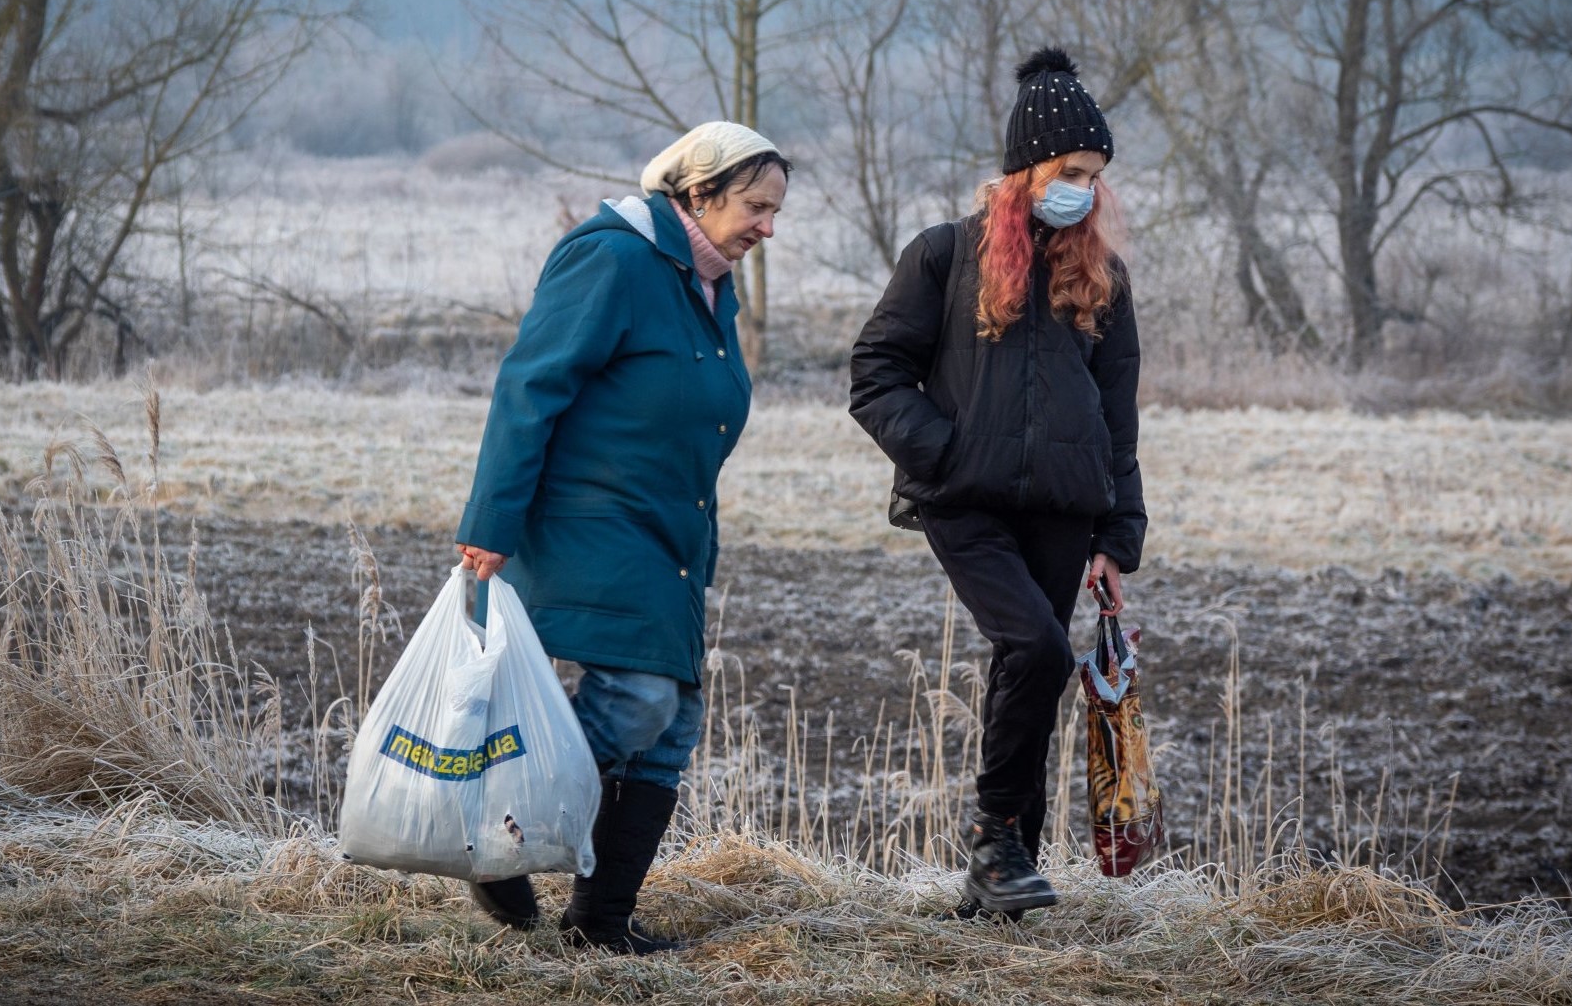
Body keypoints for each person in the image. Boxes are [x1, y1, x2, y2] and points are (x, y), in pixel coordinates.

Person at [453, 121, 789, 952]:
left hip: (670, 534)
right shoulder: (612, 256)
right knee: (637, 696)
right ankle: (497, 834)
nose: (767, 228)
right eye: (754, 206)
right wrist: (489, 524)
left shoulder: (706, 284)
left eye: (776, 211)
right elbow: (528, 386)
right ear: (697, 192)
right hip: (592, 518)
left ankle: (600, 923)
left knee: (670, 722)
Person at [848, 47, 1146, 918]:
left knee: (1035, 673)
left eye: (1094, 175)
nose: (1083, 189)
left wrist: (1115, 538)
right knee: (1038, 648)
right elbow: (874, 374)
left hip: (1063, 511)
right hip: (964, 504)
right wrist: (942, 452)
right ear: (1025, 168)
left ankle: (1004, 878)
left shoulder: (1103, 280)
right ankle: (993, 841)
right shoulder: (943, 258)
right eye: (1069, 171)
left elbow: (1117, 419)